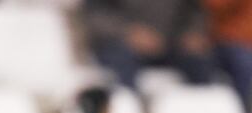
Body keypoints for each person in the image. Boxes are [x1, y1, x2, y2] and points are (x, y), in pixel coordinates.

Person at [82, 0, 216, 89]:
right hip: (122, 44)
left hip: (170, 43)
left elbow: (195, 11)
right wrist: (128, 32)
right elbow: (94, 16)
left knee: (200, 60)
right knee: (121, 61)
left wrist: (193, 32)